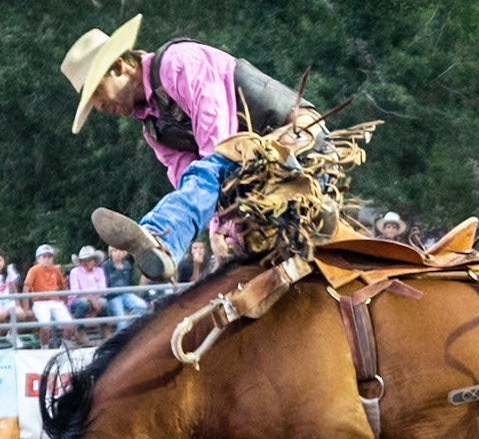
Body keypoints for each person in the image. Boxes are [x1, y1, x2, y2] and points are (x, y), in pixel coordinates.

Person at [61, 14, 326, 282]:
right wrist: (219, 230)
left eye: (96, 92)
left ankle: (162, 236)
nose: (99, 106)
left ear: (119, 67)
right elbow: (190, 183)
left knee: (219, 165)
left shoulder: (179, 63)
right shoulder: (154, 130)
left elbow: (218, 143)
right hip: (251, 174)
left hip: (296, 141)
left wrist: (221, 224)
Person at [24, 244, 76, 347]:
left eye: (49, 256)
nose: (47, 259)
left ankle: (64, 349)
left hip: (56, 302)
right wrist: (26, 308)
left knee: (70, 325)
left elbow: (62, 286)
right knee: (45, 326)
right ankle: (45, 348)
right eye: (44, 256)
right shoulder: (34, 270)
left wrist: (64, 302)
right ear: (38, 258)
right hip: (40, 302)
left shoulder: (55, 270)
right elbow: (26, 287)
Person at [103, 246, 149, 329]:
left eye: (121, 251)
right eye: (115, 251)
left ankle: (130, 324)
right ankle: (121, 339)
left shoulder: (127, 265)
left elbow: (130, 281)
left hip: (126, 294)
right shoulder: (105, 266)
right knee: (122, 320)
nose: (119, 254)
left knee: (142, 306)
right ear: (111, 253)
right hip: (113, 297)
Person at [67, 246, 108, 338]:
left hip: (96, 298)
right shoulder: (75, 272)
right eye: (84, 260)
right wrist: (91, 299)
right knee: (82, 303)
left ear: (94, 260)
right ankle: (80, 330)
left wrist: (94, 298)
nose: (86, 262)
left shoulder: (99, 271)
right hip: (78, 300)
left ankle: (104, 328)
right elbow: (75, 291)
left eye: (89, 259)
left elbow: (103, 288)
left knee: (104, 303)